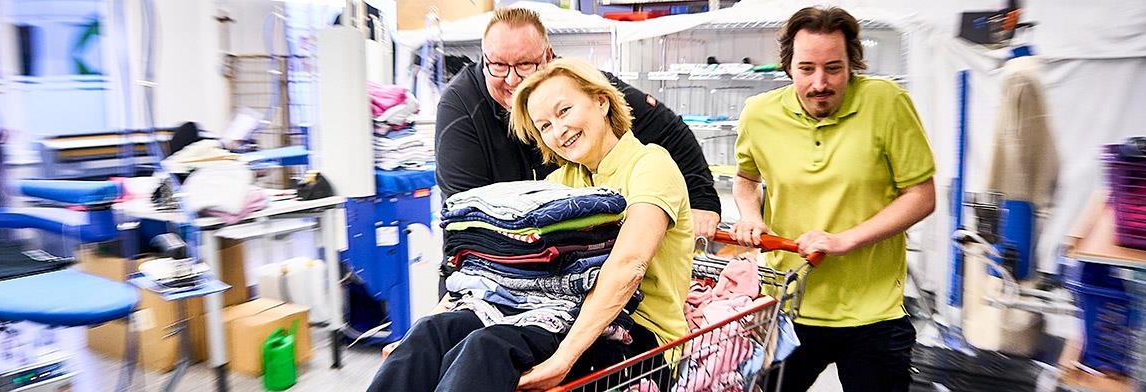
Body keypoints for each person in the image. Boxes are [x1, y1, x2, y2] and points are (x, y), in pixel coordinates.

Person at [368, 58, 692, 392]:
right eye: (545, 126)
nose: (558, 131)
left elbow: (629, 265)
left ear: (601, 100)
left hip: (640, 341)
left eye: (564, 111)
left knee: (487, 348)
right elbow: (488, 269)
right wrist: (426, 327)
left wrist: (561, 360)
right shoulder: (559, 182)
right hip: (556, 314)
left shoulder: (651, 165)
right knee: (430, 336)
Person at [729, 6, 936, 392]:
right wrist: (750, 215)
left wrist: (844, 240)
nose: (819, 83)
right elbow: (745, 179)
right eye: (806, 68)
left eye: (834, 68)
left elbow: (921, 196)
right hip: (788, 306)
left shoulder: (887, 102)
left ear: (852, 63)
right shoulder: (758, 114)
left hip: (873, 314)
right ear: (789, 65)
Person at [435, 7, 721, 240]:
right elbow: (466, 214)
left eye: (524, 65)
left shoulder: (576, 84)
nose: (511, 79)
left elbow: (668, 128)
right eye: (497, 65)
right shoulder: (460, 107)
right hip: (489, 258)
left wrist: (702, 200)